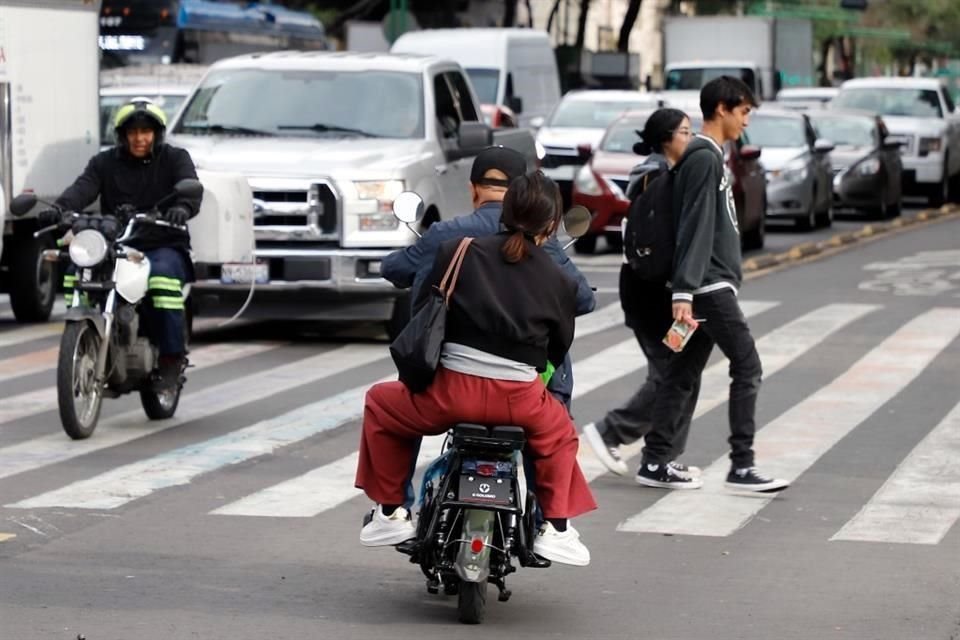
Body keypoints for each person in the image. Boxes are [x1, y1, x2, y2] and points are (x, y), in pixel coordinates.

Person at [356, 172, 597, 566]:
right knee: (560, 436)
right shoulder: (559, 279)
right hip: (521, 401)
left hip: (448, 395)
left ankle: (391, 513)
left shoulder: (457, 251)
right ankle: (555, 527)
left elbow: (426, 312)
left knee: (381, 404)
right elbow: (557, 348)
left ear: (505, 212)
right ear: (552, 225)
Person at [640, 76, 789, 492]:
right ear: (722, 108)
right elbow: (696, 223)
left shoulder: (708, 155)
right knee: (748, 366)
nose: (746, 121)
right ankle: (742, 465)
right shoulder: (705, 156)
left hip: (703, 286)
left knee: (681, 371)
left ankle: (654, 460)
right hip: (707, 288)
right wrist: (685, 291)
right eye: (743, 112)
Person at [382, 145, 596, 410]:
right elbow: (582, 302)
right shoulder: (543, 244)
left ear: (473, 189)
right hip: (526, 387)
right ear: (522, 194)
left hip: (447, 380)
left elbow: (396, 270)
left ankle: (409, 451)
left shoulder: (447, 239)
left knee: (390, 409)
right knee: (557, 441)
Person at [581, 108, 704, 489]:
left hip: (654, 288)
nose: (691, 138)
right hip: (653, 294)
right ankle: (611, 432)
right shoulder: (658, 177)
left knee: (682, 373)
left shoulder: (657, 173)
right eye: (685, 132)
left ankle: (662, 456)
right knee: (671, 373)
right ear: (666, 138)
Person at [44, 98, 201, 392]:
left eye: (146, 132)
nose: (139, 138)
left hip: (162, 243)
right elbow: (82, 188)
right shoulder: (104, 162)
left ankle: (170, 358)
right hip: (116, 244)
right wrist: (59, 208)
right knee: (75, 269)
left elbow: (191, 188)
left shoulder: (174, 158)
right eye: (132, 132)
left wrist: (183, 207)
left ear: (156, 134)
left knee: (162, 280)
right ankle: (87, 332)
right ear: (122, 135)